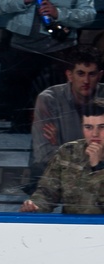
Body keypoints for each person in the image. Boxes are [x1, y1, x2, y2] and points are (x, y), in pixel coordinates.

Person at [0, 0, 96, 132]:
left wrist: (58, 13)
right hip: (20, 50)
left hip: (61, 50)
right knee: (15, 113)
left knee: (62, 110)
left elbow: (88, 15)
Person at [30, 45, 104, 183]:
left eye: (92, 74)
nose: (86, 81)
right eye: (80, 73)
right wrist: (95, 155)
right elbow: (44, 156)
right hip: (58, 179)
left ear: (100, 75)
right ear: (69, 75)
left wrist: (61, 147)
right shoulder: (48, 100)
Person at [20, 102, 104, 214]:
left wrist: (97, 168)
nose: (95, 134)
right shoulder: (68, 152)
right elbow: (47, 192)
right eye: (88, 127)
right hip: (69, 227)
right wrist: (35, 206)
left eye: (102, 127)